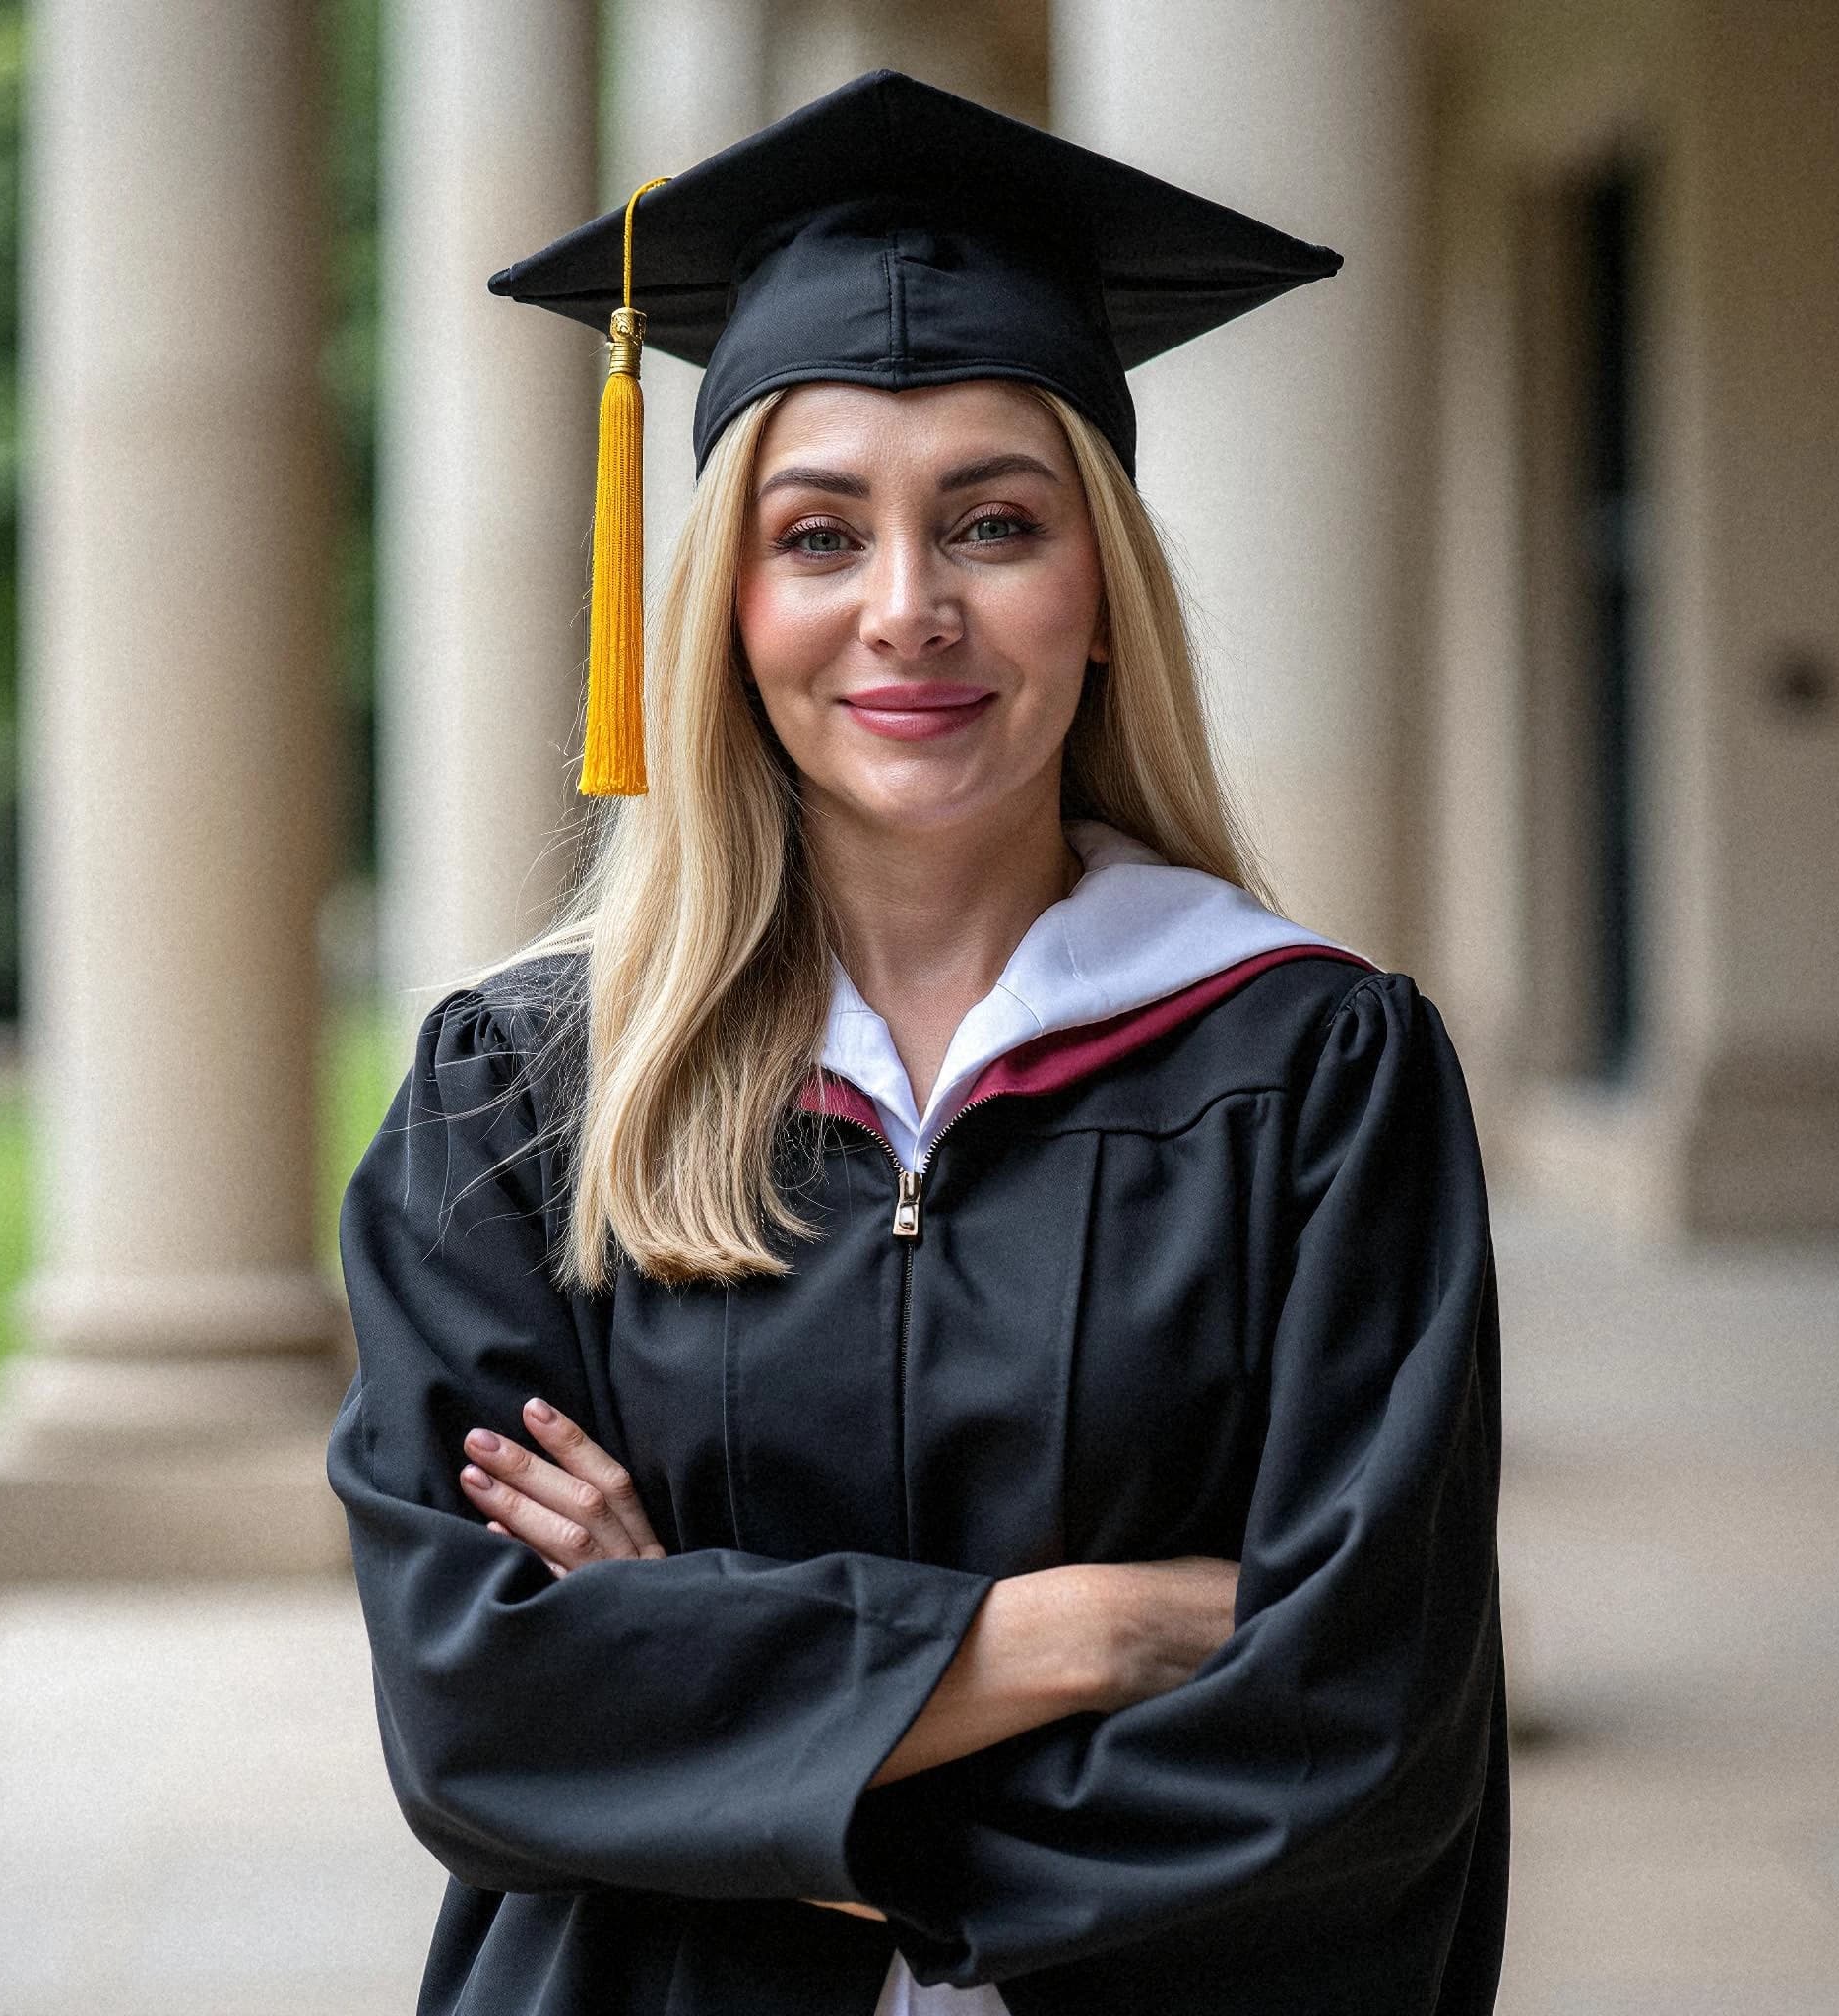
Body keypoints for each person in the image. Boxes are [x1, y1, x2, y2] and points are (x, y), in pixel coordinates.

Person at [327, 70, 1509, 2016]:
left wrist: (717, 1722)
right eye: (816, 534)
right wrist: (1101, 1635)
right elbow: (483, 1708)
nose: (906, 608)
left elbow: (1361, 1742)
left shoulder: (1313, 1076)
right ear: (719, 609)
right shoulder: (519, 1099)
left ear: (1101, 591)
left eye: (991, 521)